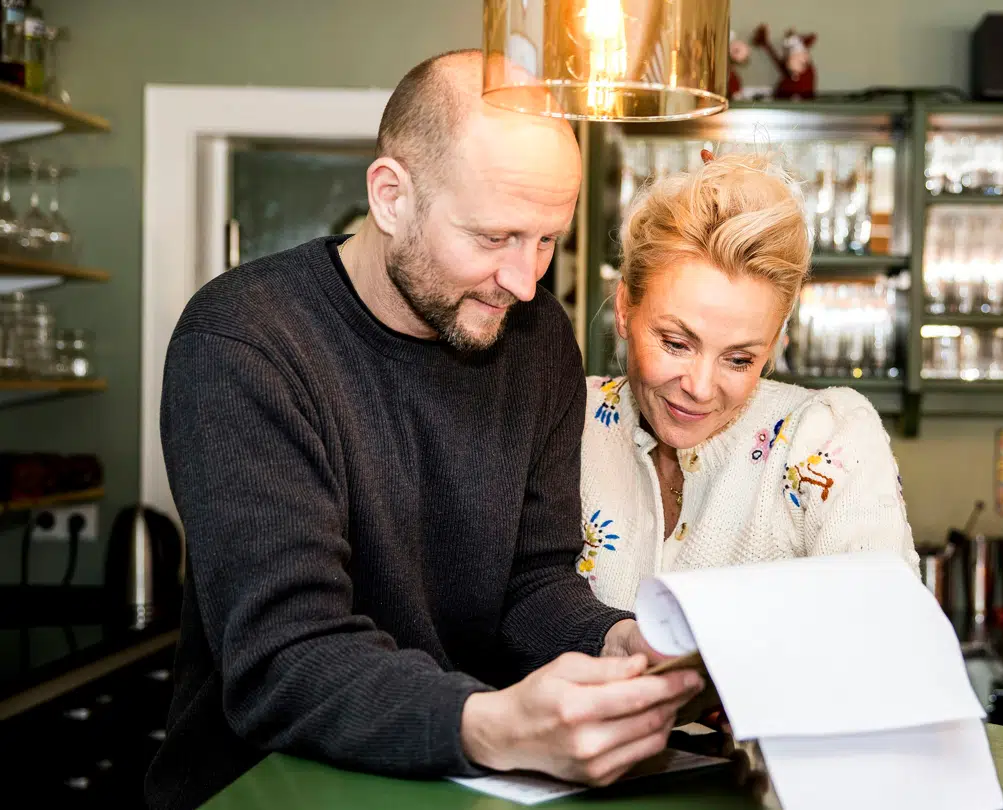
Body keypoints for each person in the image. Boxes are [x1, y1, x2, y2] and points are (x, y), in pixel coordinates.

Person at [146, 50, 702, 810]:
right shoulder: (243, 343)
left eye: (548, 240)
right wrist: (495, 724)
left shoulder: (536, 336)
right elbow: (285, 656)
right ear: (391, 196)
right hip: (262, 788)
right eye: (493, 236)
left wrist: (617, 643)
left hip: (453, 781)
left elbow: (532, 582)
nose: (525, 279)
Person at [577, 151, 920, 610]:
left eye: (738, 359)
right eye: (676, 343)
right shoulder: (565, 420)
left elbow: (883, 639)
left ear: (776, 342)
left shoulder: (827, 437)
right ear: (624, 307)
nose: (699, 387)